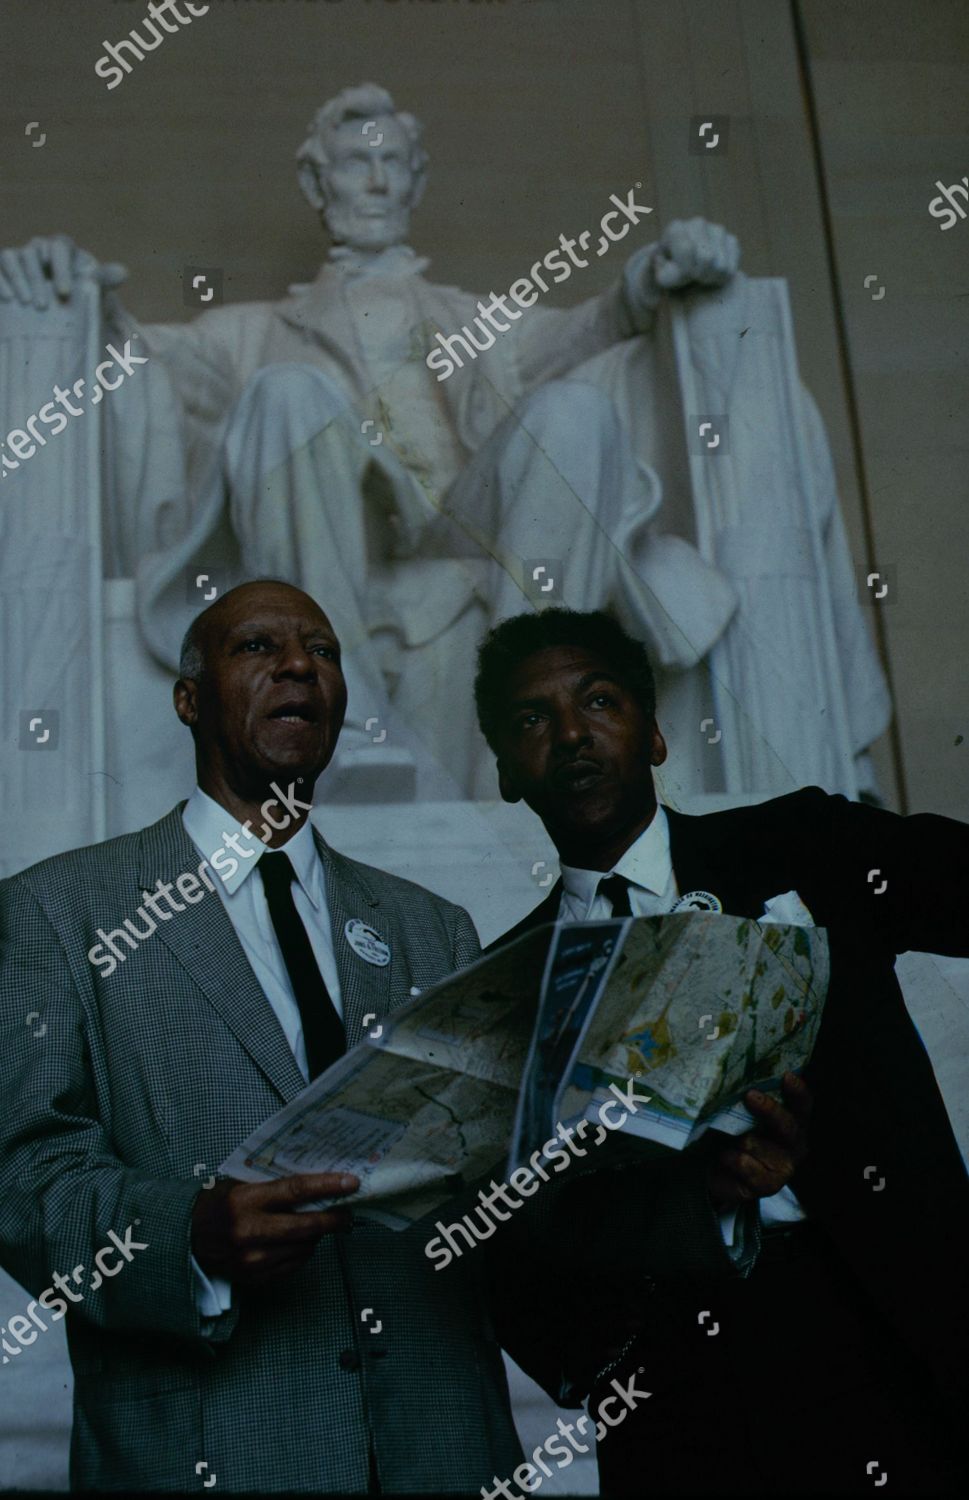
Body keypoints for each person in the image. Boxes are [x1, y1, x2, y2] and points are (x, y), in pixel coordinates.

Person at [0, 579, 526, 1494]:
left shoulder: (431, 929)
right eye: (257, 648)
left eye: (321, 651)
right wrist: (187, 1236)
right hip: (210, 1452)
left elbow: (496, 1189)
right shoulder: (59, 910)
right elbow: (25, 1183)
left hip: (443, 1452)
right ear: (189, 699)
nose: (297, 666)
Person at [474, 607, 969, 1497]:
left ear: (655, 734)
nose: (573, 735)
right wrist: (691, 1202)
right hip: (674, 1401)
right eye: (531, 720)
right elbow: (509, 1254)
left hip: (891, 1333)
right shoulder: (498, 996)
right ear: (507, 773)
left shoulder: (804, 847)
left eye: (598, 700)